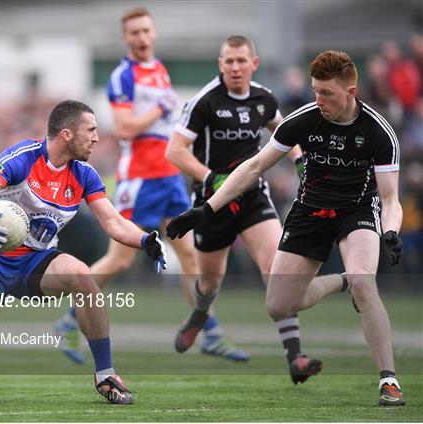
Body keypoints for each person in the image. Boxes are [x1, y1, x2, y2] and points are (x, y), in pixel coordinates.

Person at [167, 50, 405, 406]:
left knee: (363, 280)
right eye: (315, 91)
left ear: (351, 92)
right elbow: (254, 167)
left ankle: (389, 381)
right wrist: (205, 209)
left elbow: (390, 199)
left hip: (356, 211)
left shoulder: (377, 132)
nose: (319, 100)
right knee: (279, 305)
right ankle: (342, 282)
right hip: (309, 212)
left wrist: (391, 231)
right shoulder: (304, 119)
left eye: (327, 94)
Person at [0, 100, 169, 405]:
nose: (97, 138)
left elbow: (112, 222)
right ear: (67, 134)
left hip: (36, 260)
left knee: (84, 278)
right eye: (91, 130)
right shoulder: (24, 156)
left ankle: (106, 376)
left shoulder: (85, 175)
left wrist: (144, 240)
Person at [56, 7, 248, 365]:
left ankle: (210, 332)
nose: (142, 38)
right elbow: (125, 127)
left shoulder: (159, 70)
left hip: (167, 175)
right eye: (134, 33)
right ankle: (68, 320)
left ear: (153, 33)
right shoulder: (122, 76)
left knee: (190, 254)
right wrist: (158, 109)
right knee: (121, 260)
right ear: (126, 38)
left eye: (146, 31)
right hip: (140, 178)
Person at [166, 35, 344, 382]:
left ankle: (296, 358)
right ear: (220, 65)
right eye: (228, 61)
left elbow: (284, 132)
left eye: (240, 61)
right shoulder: (204, 101)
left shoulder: (264, 98)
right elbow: (174, 151)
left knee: (276, 272)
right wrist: (210, 178)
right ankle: (200, 315)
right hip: (211, 204)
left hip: (252, 196)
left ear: (254, 63)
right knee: (210, 280)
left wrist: (299, 160)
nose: (234, 67)